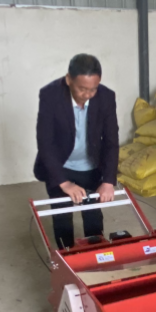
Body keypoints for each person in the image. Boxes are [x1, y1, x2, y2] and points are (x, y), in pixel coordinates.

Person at [34, 54, 120, 249]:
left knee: (93, 214)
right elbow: (45, 143)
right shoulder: (50, 95)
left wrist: (108, 181)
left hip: (90, 165)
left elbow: (111, 141)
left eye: (93, 89)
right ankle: (67, 254)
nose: (87, 94)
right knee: (62, 214)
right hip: (60, 165)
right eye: (82, 89)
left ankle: (97, 252)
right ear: (68, 80)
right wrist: (64, 183)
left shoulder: (106, 97)